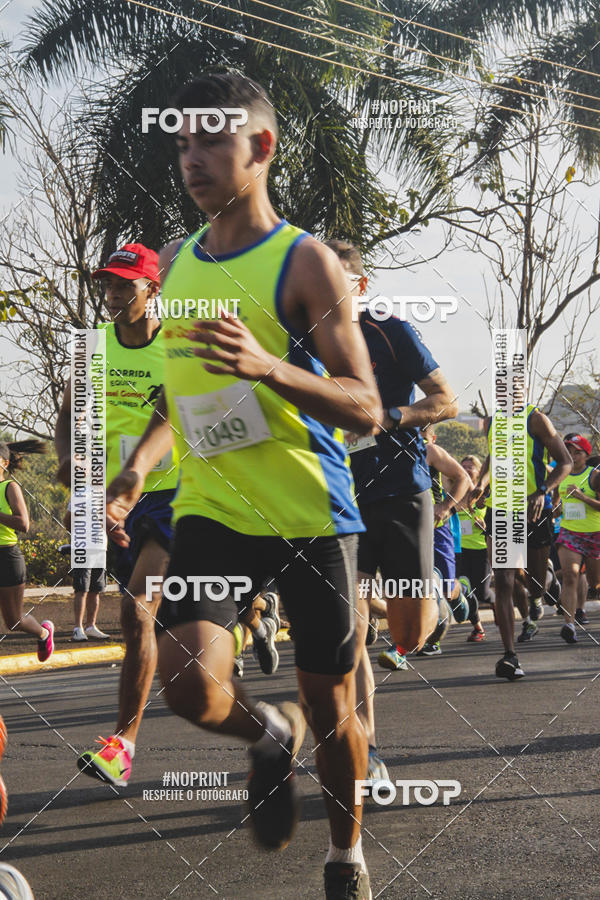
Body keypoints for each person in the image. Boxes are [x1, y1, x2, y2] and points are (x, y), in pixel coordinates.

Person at [105, 73, 382, 899]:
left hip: (308, 510)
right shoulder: (179, 264)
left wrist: (269, 366)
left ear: (261, 147)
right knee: (189, 684)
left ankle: (345, 857)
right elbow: (183, 393)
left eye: (210, 141)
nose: (190, 159)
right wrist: (138, 468)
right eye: (181, 143)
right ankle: (267, 731)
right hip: (214, 508)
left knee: (333, 707)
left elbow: (365, 404)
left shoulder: (305, 261)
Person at [323, 239, 458, 785]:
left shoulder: (390, 330)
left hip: (402, 490)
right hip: (339, 498)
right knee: (349, 633)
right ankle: (368, 750)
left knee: (411, 632)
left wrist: (390, 416)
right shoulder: (303, 341)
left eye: (335, 279)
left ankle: (435, 606)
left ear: (359, 286)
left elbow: (446, 399)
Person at [55, 243, 179, 786]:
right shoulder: (92, 348)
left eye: (125, 285)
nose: (112, 294)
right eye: (106, 283)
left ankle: (122, 747)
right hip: (108, 499)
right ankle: (248, 616)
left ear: (152, 289)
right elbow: (68, 417)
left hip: (172, 495)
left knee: (135, 612)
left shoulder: (175, 348)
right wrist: (68, 463)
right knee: (159, 620)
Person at [471, 403, 572, 679]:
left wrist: (543, 491)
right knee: (503, 580)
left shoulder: (536, 419)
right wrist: (481, 483)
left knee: (536, 586)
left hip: (532, 509)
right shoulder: (491, 422)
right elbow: (493, 457)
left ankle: (544, 582)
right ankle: (510, 655)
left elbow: (565, 462)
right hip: (500, 509)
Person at [417, 430, 476, 656]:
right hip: (409, 530)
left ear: (432, 437)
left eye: (423, 431)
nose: (418, 433)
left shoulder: (431, 452)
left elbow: (465, 481)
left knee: (445, 590)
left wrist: (445, 508)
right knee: (417, 586)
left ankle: (460, 590)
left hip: (437, 528)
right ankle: (431, 640)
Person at [0, 440, 54, 661]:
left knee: (13, 622)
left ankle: (44, 633)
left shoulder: (9, 487)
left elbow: (24, 523)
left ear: (4, 463)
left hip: (7, 558)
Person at [556, 434, 600, 643]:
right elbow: (556, 502)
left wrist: (581, 496)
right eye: (569, 452)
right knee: (570, 575)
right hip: (569, 532)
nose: (572, 456)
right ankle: (570, 624)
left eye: (577, 452)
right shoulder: (561, 474)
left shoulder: (595, 476)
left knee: (595, 582)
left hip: (594, 534)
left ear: (586, 455)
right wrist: (555, 510)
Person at [456, 455, 492, 641]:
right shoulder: (455, 492)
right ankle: (478, 628)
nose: (467, 469)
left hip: (481, 550)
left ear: (479, 472)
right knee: (464, 589)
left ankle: (496, 602)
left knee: (482, 593)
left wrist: (486, 526)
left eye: (471, 467)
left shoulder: (486, 494)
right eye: (463, 466)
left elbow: (495, 522)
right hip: (459, 551)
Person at [63, 503, 109, 641]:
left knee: (96, 589)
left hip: (100, 547)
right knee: (82, 588)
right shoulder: (80, 494)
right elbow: (67, 519)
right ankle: (78, 629)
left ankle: (91, 627)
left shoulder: (105, 496)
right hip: (82, 548)